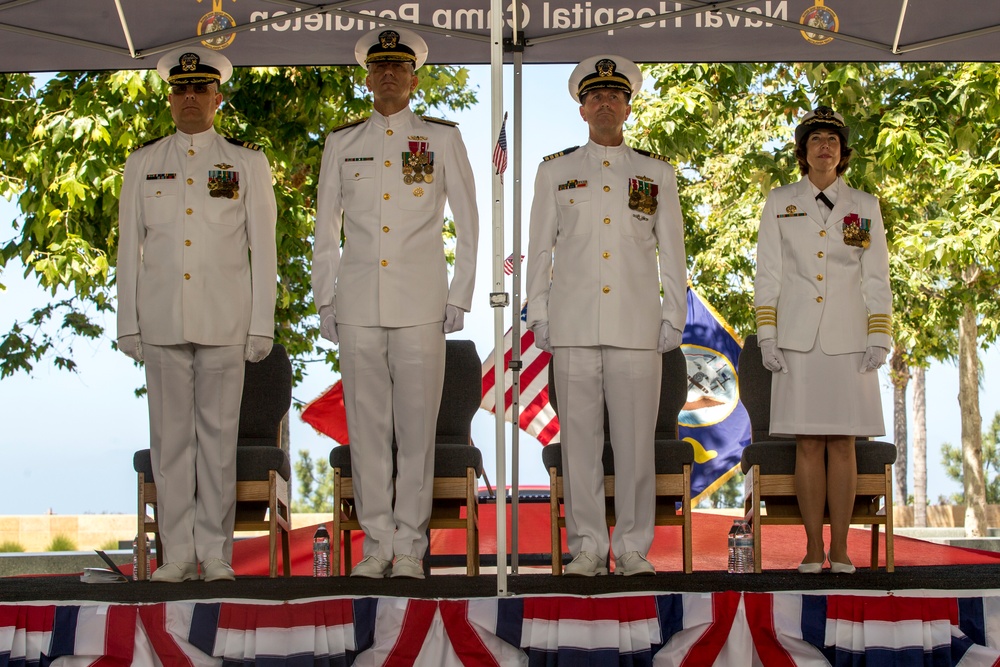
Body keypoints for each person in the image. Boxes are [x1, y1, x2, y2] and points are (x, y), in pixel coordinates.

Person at [312, 27, 479, 579]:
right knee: (367, 430)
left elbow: (469, 222)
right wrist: (324, 300)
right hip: (358, 302)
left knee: (415, 431)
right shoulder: (342, 142)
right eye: (379, 67)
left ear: (414, 78)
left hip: (421, 304)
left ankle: (410, 545)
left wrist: (459, 295)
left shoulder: (442, 138)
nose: (388, 75)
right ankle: (375, 544)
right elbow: (326, 230)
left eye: (398, 67)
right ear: (367, 77)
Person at [116, 47, 278, 583]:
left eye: (200, 89)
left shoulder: (246, 163)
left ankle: (215, 554)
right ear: (169, 98)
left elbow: (264, 248)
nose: (190, 98)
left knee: (217, 440)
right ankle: (177, 553)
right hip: (162, 318)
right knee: (170, 442)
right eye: (181, 90)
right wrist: (127, 321)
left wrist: (261, 322)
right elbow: (128, 248)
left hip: (225, 320)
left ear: (218, 98)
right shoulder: (143, 162)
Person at [526, 55, 687, 576]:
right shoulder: (556, 171)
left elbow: (673, 252)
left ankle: (634, 546)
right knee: (579, 444)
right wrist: (539, 314)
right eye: (595, 96)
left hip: (637, 325)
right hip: (573, 325)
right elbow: (540, 251)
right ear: (581, 109)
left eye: (614, 96)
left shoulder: (656, 172)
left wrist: (674, 316)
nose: (604, 103)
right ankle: (588, 546)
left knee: (638, 445)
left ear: (628, 107)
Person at [753, 105, 892, 575]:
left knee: (844, 443)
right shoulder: (779, 201)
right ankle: (813, 548)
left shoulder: (863, 206)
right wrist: (767, 335)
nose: (825, 147)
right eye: (816, 140)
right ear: (803, 151)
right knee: (809, 442)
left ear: (843, 152)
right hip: (797, 338)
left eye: (832, 140)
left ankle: (841, 549)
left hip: (850, 338)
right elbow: (767, 272)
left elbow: (876, 276)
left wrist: (880, 333)